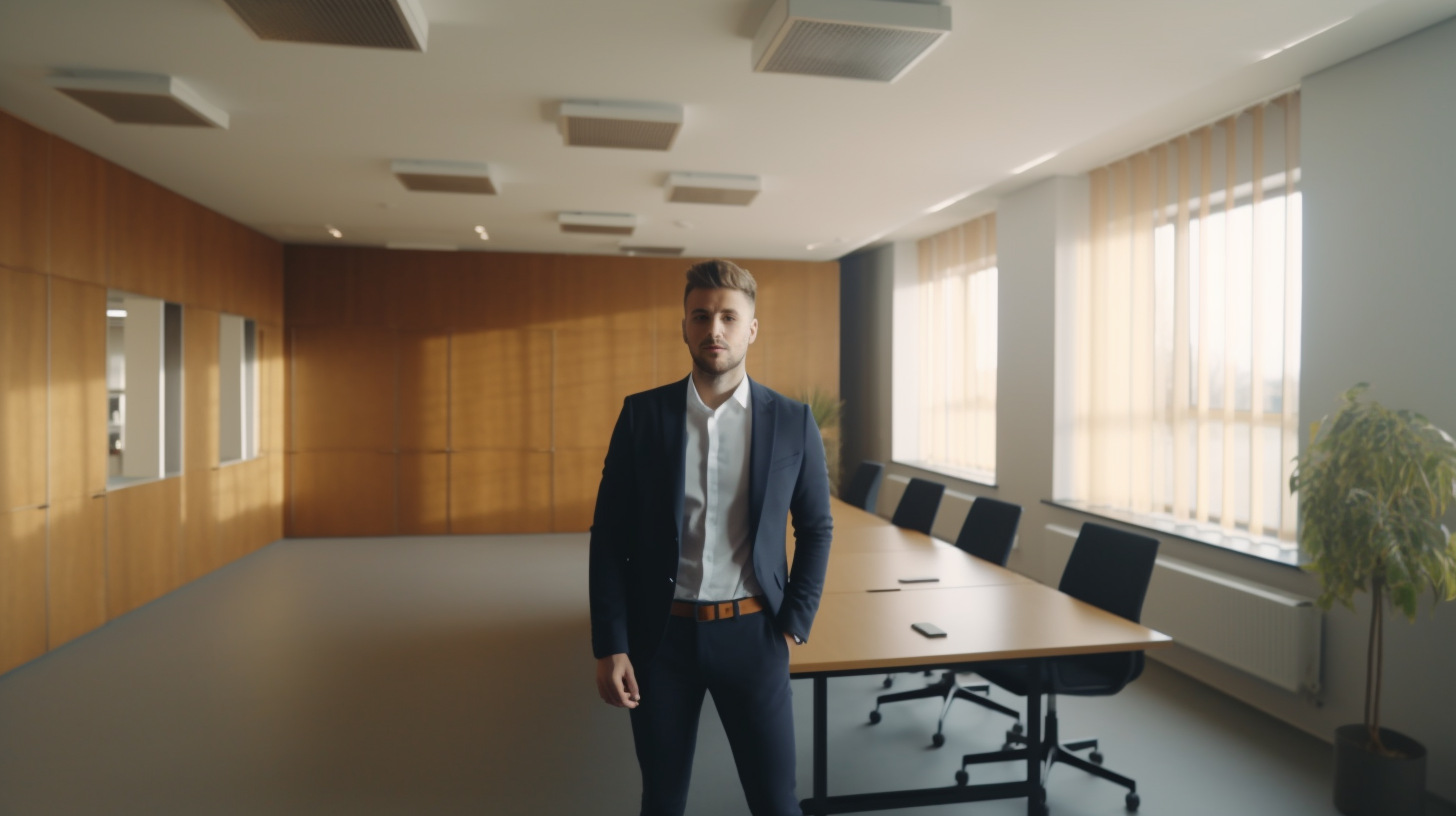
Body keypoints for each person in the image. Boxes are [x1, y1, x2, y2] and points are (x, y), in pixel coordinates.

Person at [589, 259, 834, 816]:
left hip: (753, 634)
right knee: (664, 799)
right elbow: (609, 536)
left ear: (751, 328)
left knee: (776, 802)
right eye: (701, 316)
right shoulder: (642, 416)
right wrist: (611, 641)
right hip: (661, 639)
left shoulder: (792, 420)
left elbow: (816, 526)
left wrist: (797, 617)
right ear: (684, 326)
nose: (714, 329)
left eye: (728, 316)